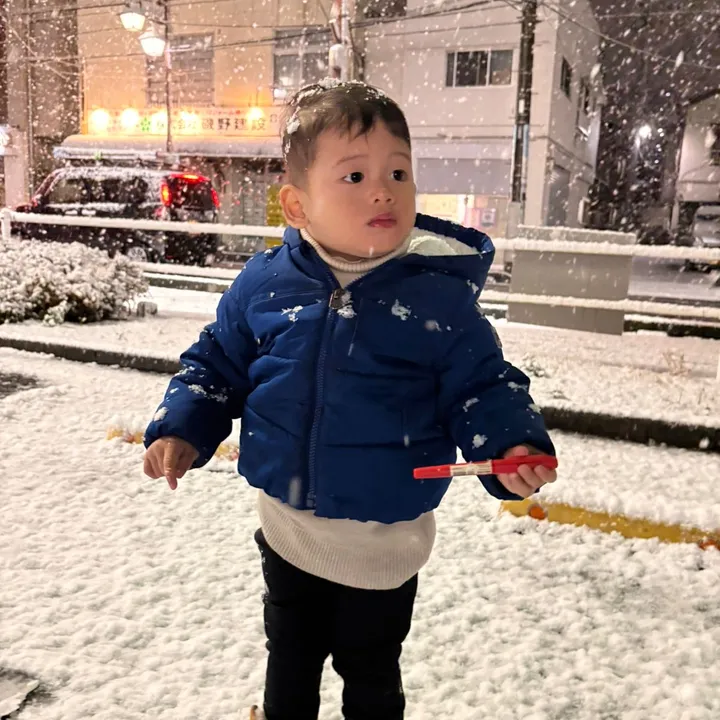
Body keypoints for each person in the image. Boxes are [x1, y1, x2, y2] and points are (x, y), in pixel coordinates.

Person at [143, 79, 557, 720]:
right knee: (290, 657)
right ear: (297, 205)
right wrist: (183, 427)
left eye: (398, 172)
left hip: (384, 543)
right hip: (288, 529)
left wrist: (512, 444)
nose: (383, 191)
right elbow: (216, 363)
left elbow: (483, 385)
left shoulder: (438, 299)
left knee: (370, 672)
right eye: (355, 175)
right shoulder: (265, 283)